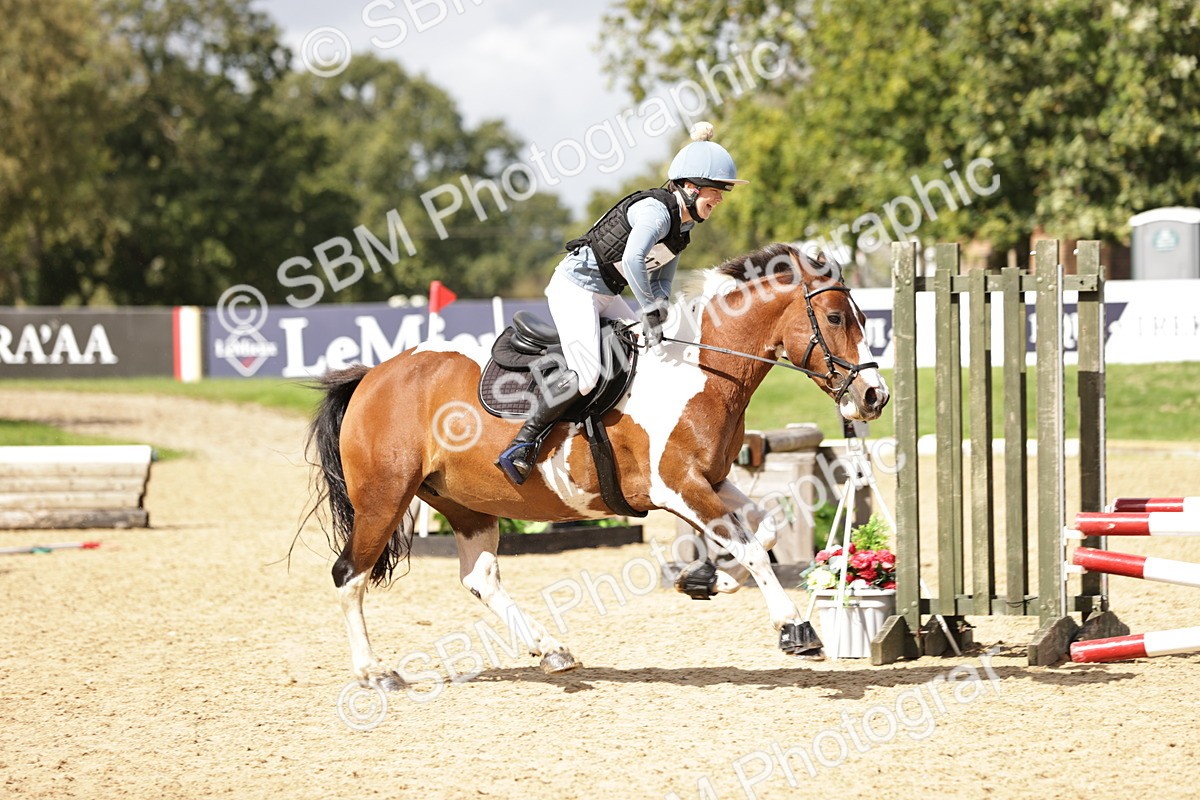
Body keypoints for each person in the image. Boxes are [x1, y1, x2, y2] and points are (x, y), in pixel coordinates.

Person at [495, 121, 748, 484]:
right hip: (575, 289)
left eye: (722, 192)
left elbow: (661, 280)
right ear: (690, 187)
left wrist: (659, 312)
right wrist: (648, 307)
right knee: (586, 376)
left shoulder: (683, 228)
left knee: (647, 354)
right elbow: (633, 260)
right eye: (716, 191)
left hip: (606, 293)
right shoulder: (655, 212)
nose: (720, 198)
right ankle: (521, 445)